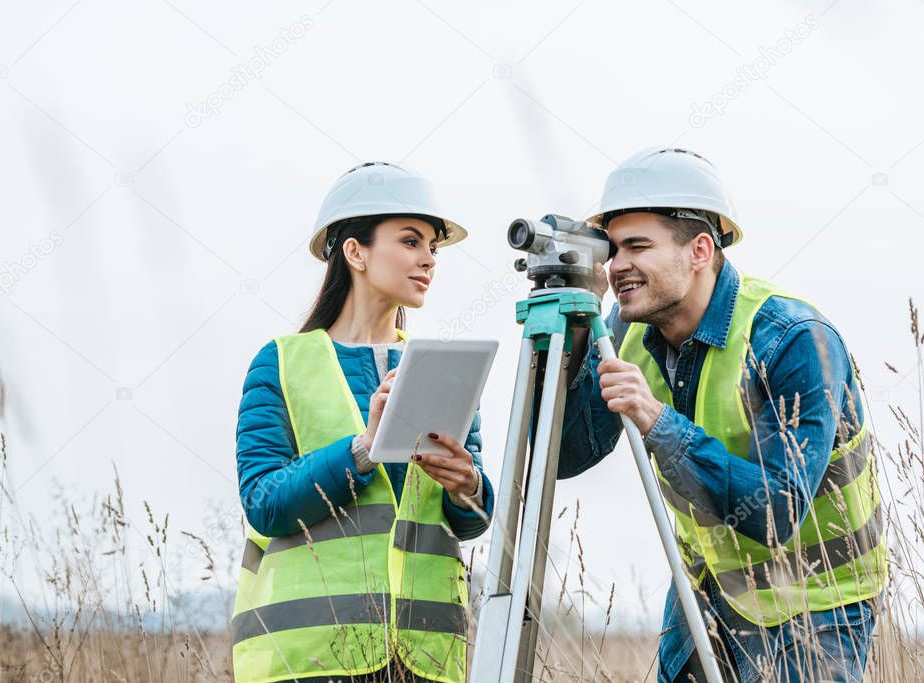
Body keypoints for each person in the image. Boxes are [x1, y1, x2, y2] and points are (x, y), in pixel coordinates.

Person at [558, 147, 886, 682]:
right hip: (709, 588)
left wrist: (659, 422)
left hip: (817, 601)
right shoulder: (624, 330)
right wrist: (571, 336)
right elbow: (564, 458)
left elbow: (779, 512)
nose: (616, 266)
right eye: (612, 249)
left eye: (637, 247)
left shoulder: (793, 340)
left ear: (700, 250)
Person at [231, 161, 495, 683]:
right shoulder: (281, 361)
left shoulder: (442, 368)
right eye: (411, 241)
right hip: (310, 655)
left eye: (433, 249)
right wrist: (363, 448)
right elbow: (263, 502)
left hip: (424, 653)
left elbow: (468, 522)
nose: (428, 260)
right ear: (355, 252)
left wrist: (469, 486)